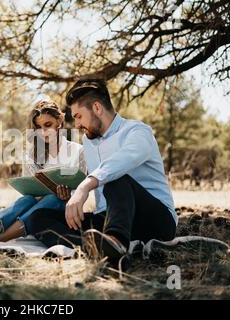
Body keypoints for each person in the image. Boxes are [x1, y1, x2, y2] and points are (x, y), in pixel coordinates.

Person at [27, 79, 178, 266]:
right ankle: (93, 249)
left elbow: (119, 163)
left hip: (155, 220)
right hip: (108, 218)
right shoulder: (88, 142)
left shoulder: (137, 132)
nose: (76, 124)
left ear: (97, 108)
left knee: (116, 179)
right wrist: (68, 192)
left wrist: (86, 185)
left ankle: (115, 242)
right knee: (38, 218)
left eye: (79, 116)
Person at [0, 99, 86, 251]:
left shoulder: (77, 151)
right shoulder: (32, 155)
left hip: (62, 209)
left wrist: (68, 196)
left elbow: (82, 189)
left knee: (53, 198)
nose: (43, 132)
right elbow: (30, 192)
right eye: (38, 128)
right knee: (26, 199)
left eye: (48, 125)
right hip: (35, 207)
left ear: (59, 120)